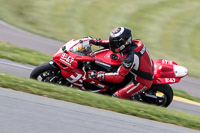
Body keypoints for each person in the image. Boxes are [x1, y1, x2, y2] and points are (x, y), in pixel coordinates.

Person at [88, 27, 154, 100]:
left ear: (124, 42)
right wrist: (96, 41)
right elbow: (111, 44)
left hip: (141, 81)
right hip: (137, 69)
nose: (113, 45)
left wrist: (98, 75)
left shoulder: (130, 57)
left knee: (116, 97)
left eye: (116, 43)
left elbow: (118, 77)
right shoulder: (130, 44)